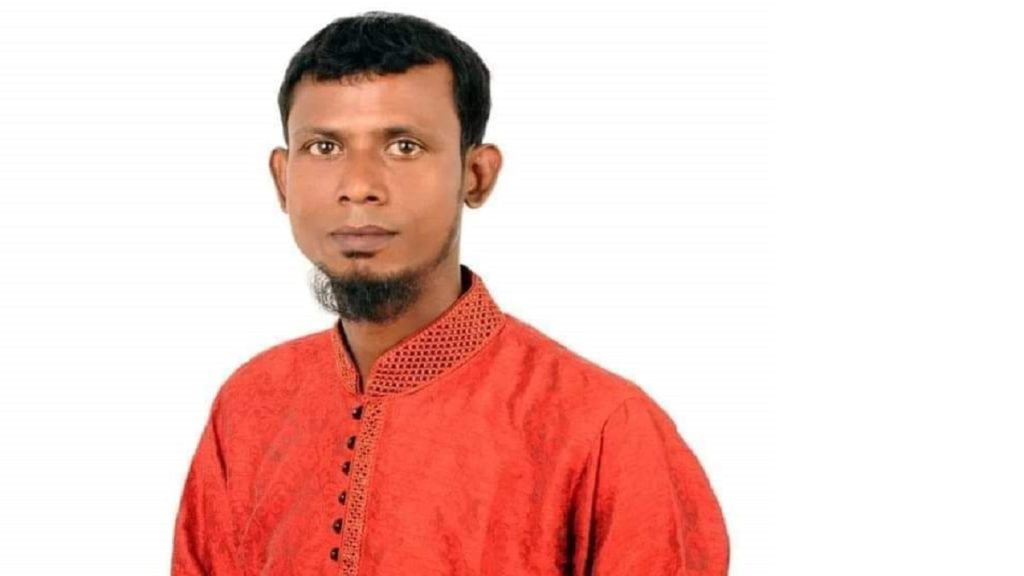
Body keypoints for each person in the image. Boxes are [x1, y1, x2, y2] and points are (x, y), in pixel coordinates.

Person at [171, 10, 729, 575]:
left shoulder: (605, 428)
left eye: (404, 146)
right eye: (324, 148)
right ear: (282, 178)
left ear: (477, 175)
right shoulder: (250, 406)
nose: (358, 186)